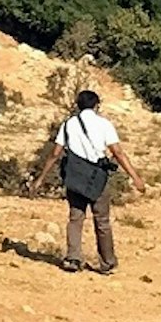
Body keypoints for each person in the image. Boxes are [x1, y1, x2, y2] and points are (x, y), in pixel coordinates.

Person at [53, 86, 130, 273]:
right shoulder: (104, 124)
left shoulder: (69, 124)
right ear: (97, 105)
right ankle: (107, 262)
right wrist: (134, 175)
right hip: (98, 176)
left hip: (75, 175)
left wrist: (40, 178)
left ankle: (73, 258)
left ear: (78, 105)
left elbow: (56, 152)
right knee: (102, 220)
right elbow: (117, 151)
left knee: (75, 217)